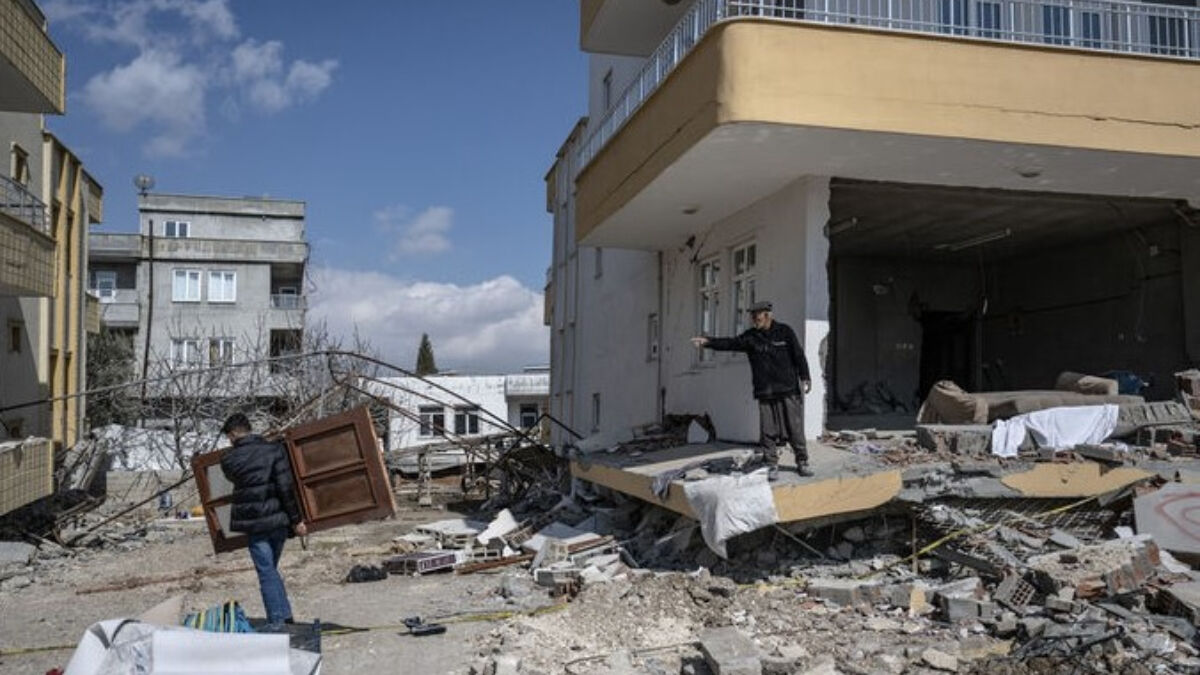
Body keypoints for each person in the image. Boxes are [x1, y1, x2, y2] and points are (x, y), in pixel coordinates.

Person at [691, 300, 813, 479]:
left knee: (794, 428)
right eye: (752, 317)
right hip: (765, 390)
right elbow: (730, 343)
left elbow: (798, 354)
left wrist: (805, 376)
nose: (754, 319)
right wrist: (708, 342)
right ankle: (771, 464)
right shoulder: (751, 337)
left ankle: (802, 461)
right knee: (767, 431)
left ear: (768, 315)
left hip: (788, 389)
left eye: (758, 316)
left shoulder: (785, 332)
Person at [219, 413, 306, 631]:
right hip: (278, 521)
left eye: (229, 437)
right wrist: (297, 520)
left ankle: (277, 622)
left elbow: (233, 475)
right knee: (270, 570)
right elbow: (286, 488)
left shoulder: (229, 460)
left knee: (267, 571)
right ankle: (285, 616)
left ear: (233, 434)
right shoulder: (274, 450)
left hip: (254, 524)